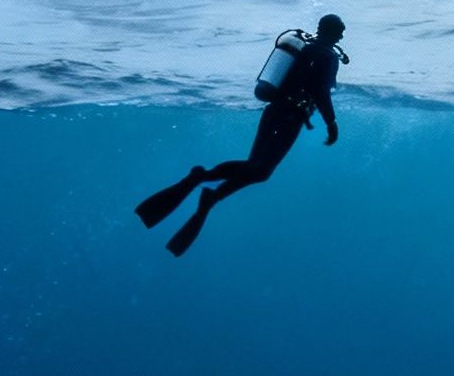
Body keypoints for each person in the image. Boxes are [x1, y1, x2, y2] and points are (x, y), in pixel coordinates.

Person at [135, 14, 346, 257]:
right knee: (261, 171)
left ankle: (208, 191)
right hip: (290, 117)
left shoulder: (306, 48)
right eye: (339, 32)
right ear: (330, 32)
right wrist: (331, 123)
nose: (341, 36)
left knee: (255, 167)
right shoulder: (327, 56)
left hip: (274, 111)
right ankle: (204, 183)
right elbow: (320, 91)